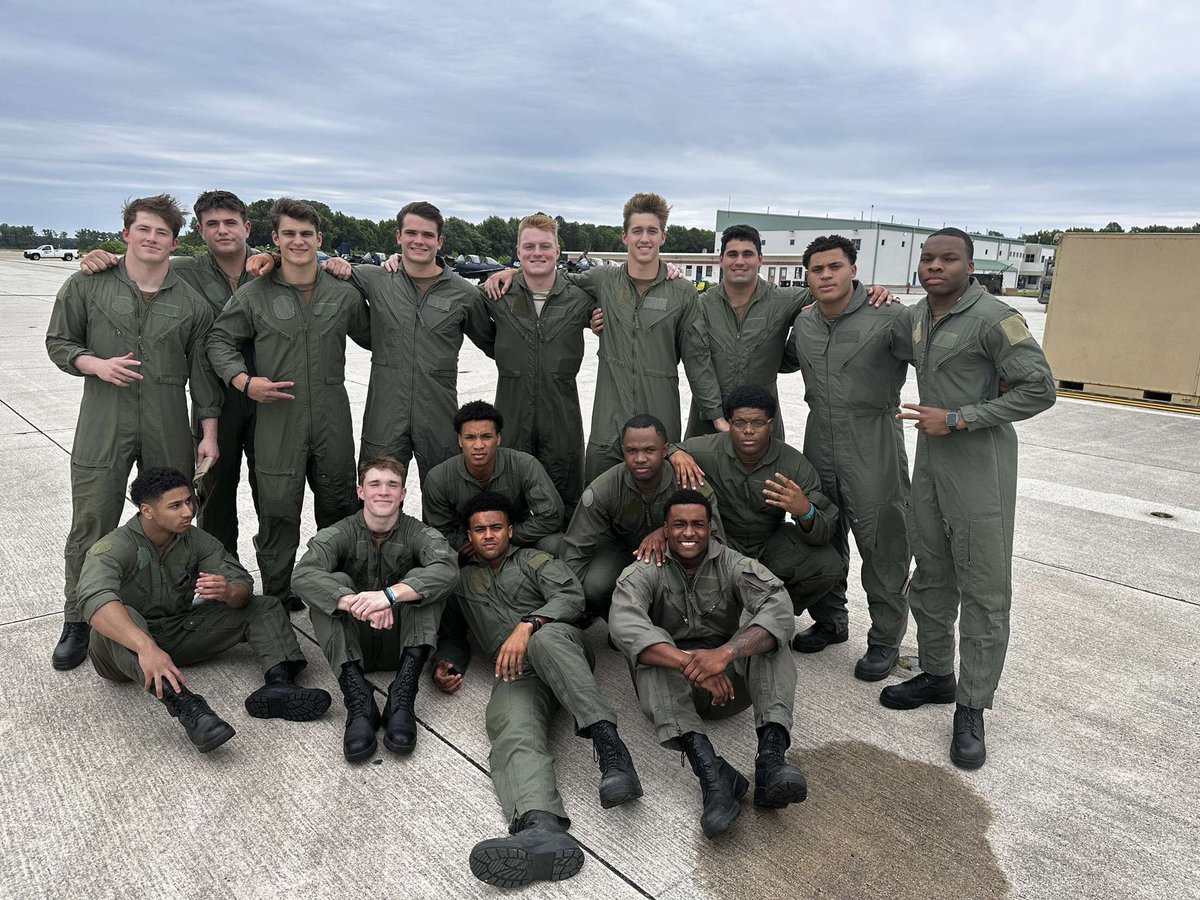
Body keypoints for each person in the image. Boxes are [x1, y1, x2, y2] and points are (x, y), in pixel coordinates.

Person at [883, 227, 1056, 770]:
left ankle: (972, 706)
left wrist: (961, 417)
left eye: (948, 258)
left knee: (983, 588)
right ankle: (937, 673)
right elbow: (881, 334)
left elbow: (1041, 389)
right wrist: (873, 295)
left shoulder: (995, 318)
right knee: (931, 573)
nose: (935, 266)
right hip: (930, 463)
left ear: (970, 265)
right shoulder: (916, 317)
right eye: (928, 258)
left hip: (980, 466)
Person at [46, 194, 223, 671]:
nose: (151, 238)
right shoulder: (87, 285)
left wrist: (208, 434)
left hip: (167, 419)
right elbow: (59, 342)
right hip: (104, 419)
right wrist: (94, 364)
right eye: (143, 229)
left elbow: (204, 376)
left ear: (174, 242)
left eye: (162, 232)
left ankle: (172, 608)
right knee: (92, 520)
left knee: (174, 518)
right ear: (126, 233)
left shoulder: (192, 303)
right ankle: (79, 618)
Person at [432, 493, 641, 888]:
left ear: (510, 531)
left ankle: (611, 751)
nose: (489, 535)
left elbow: (570, 597)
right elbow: (453, 635)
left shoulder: (534, 561)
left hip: (560, 648)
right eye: (480, 529)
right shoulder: (460, 583)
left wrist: (528, 625)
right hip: (517, 673)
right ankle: (540, 828)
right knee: (510, 728)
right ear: (469, 537)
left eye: (496, 527)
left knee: (544, 641)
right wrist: (446, 662)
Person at [77, 468, 331, 753]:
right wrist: (146, 647)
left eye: (189, 501)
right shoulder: (114, 547)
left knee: (265, 605)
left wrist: (229, 591)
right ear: (147, 510)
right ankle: (189, 708)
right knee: (120, 616)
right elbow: (94, 600)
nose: (188, 511)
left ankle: (280, 685)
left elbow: (242, 584)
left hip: (177, 632)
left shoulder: (194, 539)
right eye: (175, 506)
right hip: (122, 653)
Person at [608, 489, 806, 839]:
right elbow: (624, 624)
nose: (689, 532)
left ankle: (771, 761)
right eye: (679, 525)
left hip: (728, 686)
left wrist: (725, 654)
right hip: (675, 690)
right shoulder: (644, 570)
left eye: (698, 524)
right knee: (651, 653)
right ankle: (713, 775)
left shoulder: (733, 563)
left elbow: (778, 606)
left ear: (710, 528)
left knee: (770, 639)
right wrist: (690, 664)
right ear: (664, 529)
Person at [487, 192, 720, 482]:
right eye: (637, 230)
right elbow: (553, 279)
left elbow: (697, 359)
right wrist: (511, 272)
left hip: (660, 419)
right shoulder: (604, 280)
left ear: (663, 237)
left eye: (652, 231)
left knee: (661, 495)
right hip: (607, 429)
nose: (644, 238)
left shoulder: (682, 292)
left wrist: (716, 414)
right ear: (624, 237)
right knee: (596, 497)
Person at [207, 198, 371, 609]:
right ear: (275, 239)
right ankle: (278, 597)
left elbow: (376, 334)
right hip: (278, 421)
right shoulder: (255, 294)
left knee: (339, 506)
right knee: (278, 510)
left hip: (332, 419)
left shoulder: (344, 294)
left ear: (319, 239)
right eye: (289, 234)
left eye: (306, 234)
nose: (298, 241)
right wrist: (244, 382)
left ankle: (336, 592)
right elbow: (219, 340)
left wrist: (362, 273)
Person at [79, 190, 263, 556]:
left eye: (230, 223)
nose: (222, 230)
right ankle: (216, 570)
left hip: (268, 395)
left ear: (247, 228)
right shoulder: (184, 270)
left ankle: (270, 576)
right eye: (212, 224)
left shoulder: (271, 267)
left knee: (272, 492)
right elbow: (142, 262)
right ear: (199, 230)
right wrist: (99, 258)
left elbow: (306, 261)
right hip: (216, 396)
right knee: (213, 494)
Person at [272, 201, 494, 485]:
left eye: (427, 235)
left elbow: (495, 344)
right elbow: (304, 265)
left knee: (447, 495)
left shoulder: (465, 294)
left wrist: (512, 274)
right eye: (411, 233)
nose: (418, 241)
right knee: (378, 494)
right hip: (384, 417)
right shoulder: (374, 279)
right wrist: (271, 259)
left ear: (440, 241)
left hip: (439, 417)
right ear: (398, 236)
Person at [787, 235, 913, 677]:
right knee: (822, 533)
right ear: (808, 277)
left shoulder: (890, 316)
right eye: (817, 269)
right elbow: (775, 357)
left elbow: (936, 358)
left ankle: (885, 641)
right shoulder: (804, 323)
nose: (826, 275)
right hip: (819, 436)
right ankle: (831, 621)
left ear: (853, 271)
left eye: (835, 267)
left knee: (883, 543)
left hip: (873, 439)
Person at [291, 456, 457, 761]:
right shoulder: (340, 533)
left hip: (403, 643)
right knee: (332, 587)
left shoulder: (419, 534)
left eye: (392, 485)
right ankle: (358, 701)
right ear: (360, 491)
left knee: (421, 585)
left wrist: (390, 596)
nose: (383, 491)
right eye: (375, 484)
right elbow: (302, 576)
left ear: (403, 493)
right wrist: (356, 602)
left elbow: (447, 569)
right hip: (352, 644)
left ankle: (402, 698)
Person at [669, 385, 842, 636]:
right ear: (729, 423)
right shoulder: (706, 450)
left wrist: (805, 511)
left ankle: (773, 609)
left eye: (758, 423)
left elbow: (824, 530)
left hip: (768, 542)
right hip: (723, 543)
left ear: (771, 424)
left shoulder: (794, 465)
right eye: (739, 423)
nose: (748, 430)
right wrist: (675, 453)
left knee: (828, 564)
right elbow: (662, 449)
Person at [477, 213, 598, 512]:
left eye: (545, 246)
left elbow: (624, 292)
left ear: (557, 251)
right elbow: (464, 308)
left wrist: (667, 269)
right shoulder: (497, 294)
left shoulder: (580, 297)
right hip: (512, 414)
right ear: (518, 252)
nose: (537, 253)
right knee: (508, 496)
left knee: (566, 500)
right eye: (529, 247)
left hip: (562, 419)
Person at [562, 413, 721, 619]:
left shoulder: (688, 483)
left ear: (665, 451)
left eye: (649, 450)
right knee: (595, 586)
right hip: (622, 551)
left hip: (675, 553)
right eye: (631, 451)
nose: (640, 459)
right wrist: (570, 603)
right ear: (623, 451)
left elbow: (715, 537)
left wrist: (667, 532)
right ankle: (618, 619)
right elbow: (575, 549)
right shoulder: (603, 488)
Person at [422, 400, 564, 559]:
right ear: (460, 440)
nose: (478, 445)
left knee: (556, 544)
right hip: (468, 550)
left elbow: (551, 517)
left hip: (518, 541)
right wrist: (477, 542)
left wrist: (506, 537)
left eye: (486, 436)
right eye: (470, 437)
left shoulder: (525, 465)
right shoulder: (438, 479)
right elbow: (438, 532)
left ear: (498, 438)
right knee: (436, 555)